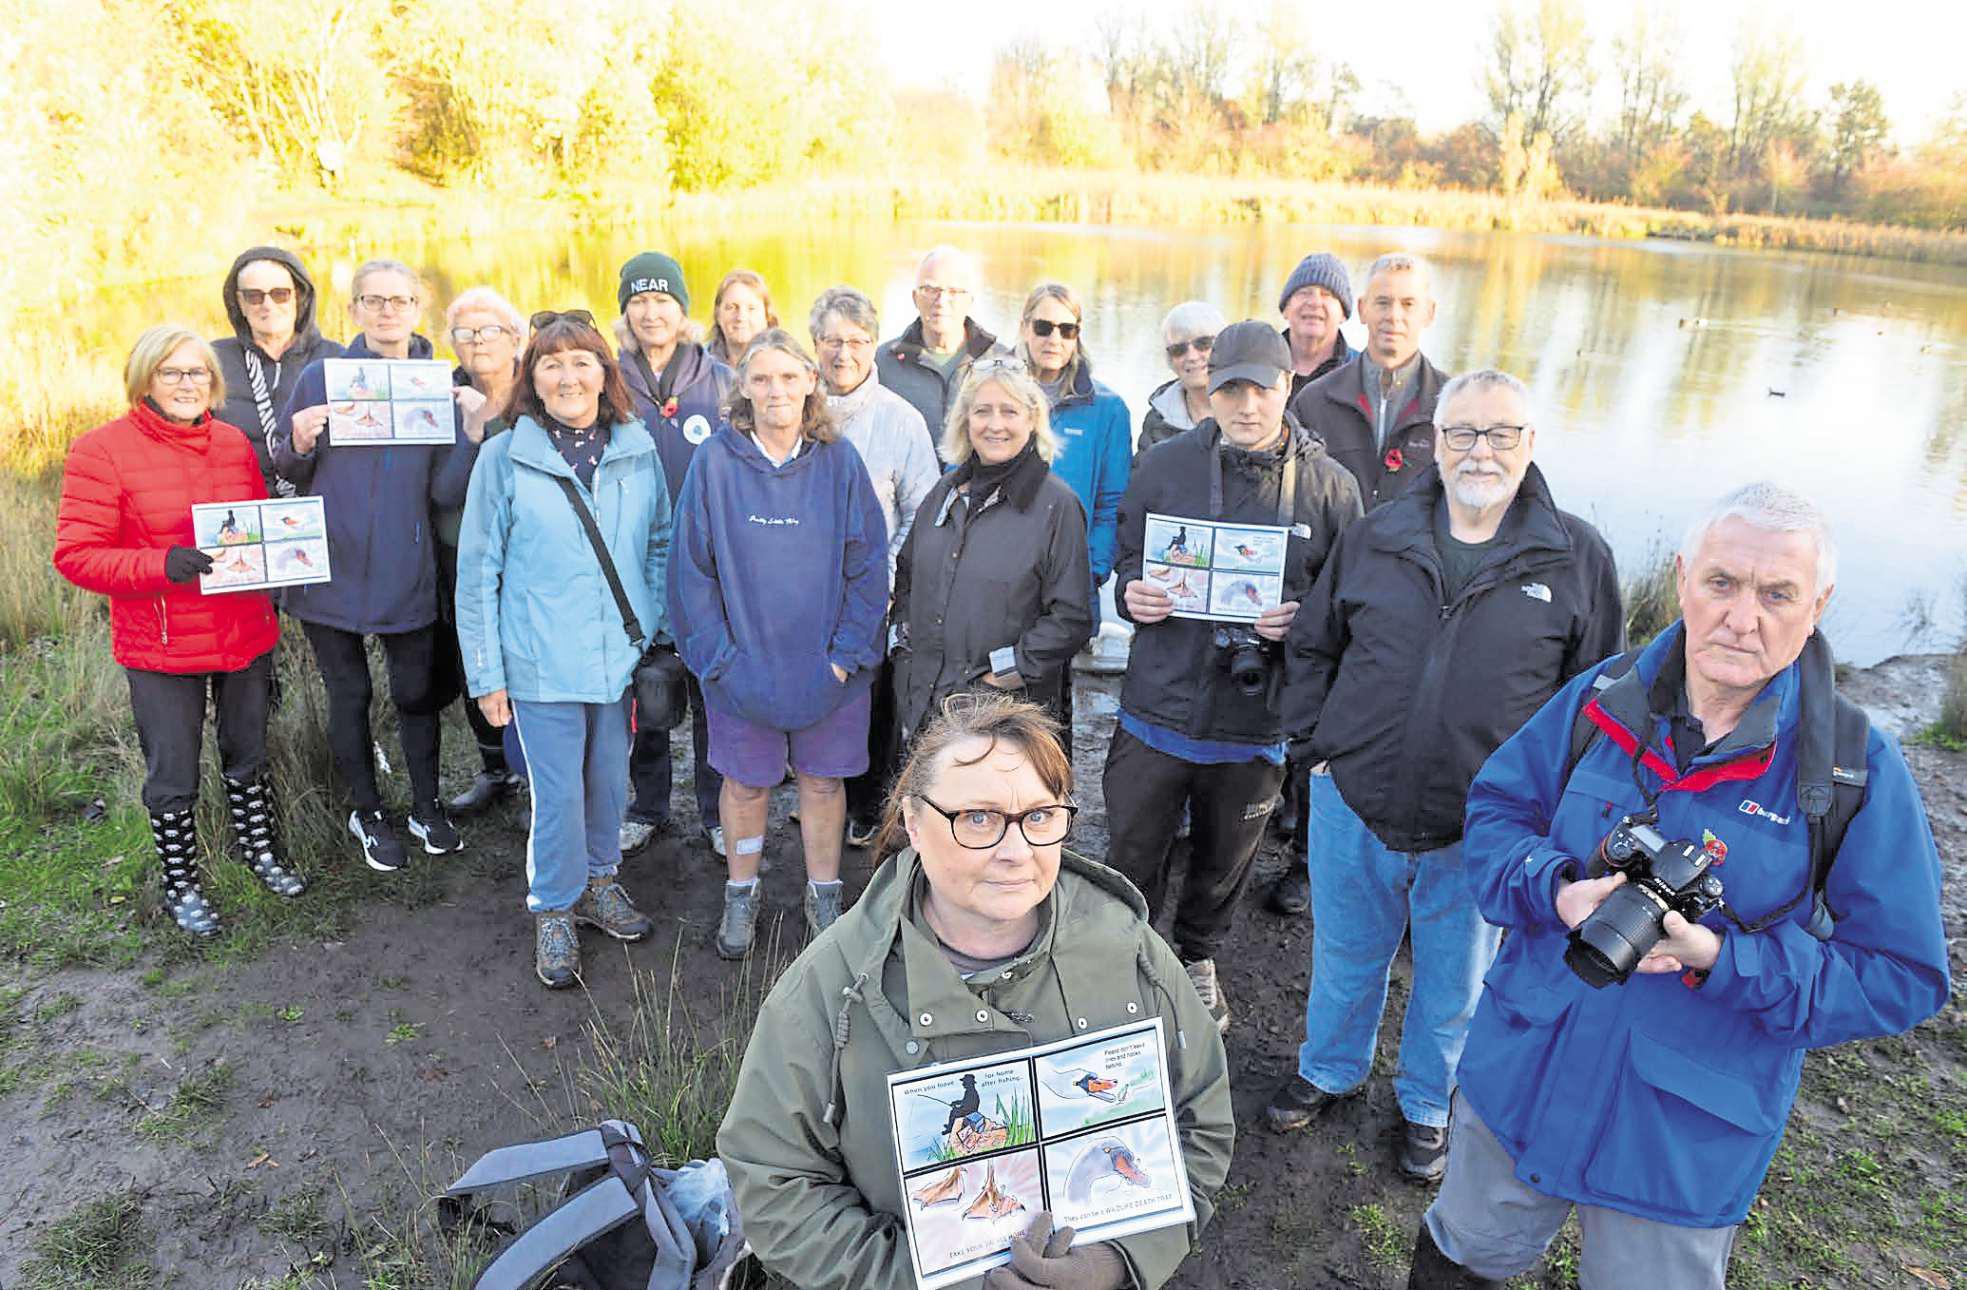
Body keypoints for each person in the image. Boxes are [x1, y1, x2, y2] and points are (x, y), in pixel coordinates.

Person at [1411, 483, 1950, 1290]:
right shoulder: (1601, 699)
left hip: (1677, 1144)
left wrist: (1718, 958)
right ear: (1680, 578)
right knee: (1459, 1262)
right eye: (1721, 583)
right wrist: (1555, 891)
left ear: (1819, 603)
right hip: (1519, 1075)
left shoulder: (1850, 770)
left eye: (1777, 594)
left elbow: (1902, 977)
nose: (1742, 617)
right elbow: (1494, 812)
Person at [717, 693, 1235, 1290]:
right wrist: (922, 1280)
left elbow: (1201, 1119)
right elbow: (773, 1180)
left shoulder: (1130, 948)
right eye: (978, 819)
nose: (1016, 853)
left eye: (1039, 817)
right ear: (913, 821)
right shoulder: (830, 987)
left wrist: (1119, 1263)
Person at [1266, 370, 1624, 1183]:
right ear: (1434, 442)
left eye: (1501, 433)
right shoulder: (1378, 532)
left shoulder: (1575, 556)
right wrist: (1314, 748)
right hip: (1353, 795)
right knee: (1345, 951)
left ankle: (1428, 1103)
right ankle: (1328, 1068)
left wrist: (1553, 812)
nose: (1479, 451)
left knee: (1455, 975)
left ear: (1529, 445)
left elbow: (1599, 699)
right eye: (1461, 432)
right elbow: (1315, 643)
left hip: (1486, 826)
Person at [1107, 322, 1361, 1032]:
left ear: (1289, 385)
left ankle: (1196, 954)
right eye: (1229, 390)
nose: (1245, 406)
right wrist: (1133, 593)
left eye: (1261, 388)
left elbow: (1348, 605)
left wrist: (1304, 621)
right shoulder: (1163, 466)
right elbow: (1129, 558)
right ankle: (1124, 951)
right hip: (1157, 703)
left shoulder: (1330, 488)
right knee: (1132, 845)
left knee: (1225, 858)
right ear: (1207, 389)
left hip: (1256, 719)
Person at [53, 325, 299, 936]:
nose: (187, 384)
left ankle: (260, 852)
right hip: (161, 641)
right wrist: (160, 565)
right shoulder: (100, 450)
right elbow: (76, 554)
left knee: (248, 755)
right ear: (145, 379)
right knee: (173, 773)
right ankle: (181, 882)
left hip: (243, 631)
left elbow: (251, 531)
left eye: (198, 373)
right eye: (172, 372)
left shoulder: (234, 442)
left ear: (214, 384)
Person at [455, 311, 670, 988]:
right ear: (532, 378)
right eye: (551, 364)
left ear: (606, 375)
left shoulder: (637, 450)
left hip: (616, 662)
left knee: (609, 782)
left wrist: (649, 625)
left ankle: (600, 883)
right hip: (540, 661)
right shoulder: (504, 457)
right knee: (556, 795)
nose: (568, 376)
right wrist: (487, 675)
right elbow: (477, 570)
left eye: (582, 362)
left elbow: (658, 544)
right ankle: (553, 904)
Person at [667, 330, 886, 959]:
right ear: (742, 389)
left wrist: (846, 657)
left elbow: (867, 567)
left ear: (811, 383)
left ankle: (823, 894)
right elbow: (691, 574)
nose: (776, 392)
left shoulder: (839, 462)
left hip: (828, 669)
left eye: (789, 378)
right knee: (745, 786)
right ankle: (742, 890)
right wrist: (719, 662)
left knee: (822, 783)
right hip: (742, 668)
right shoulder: (715, 462)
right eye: (761, 380)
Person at [274, 259, 482, 873]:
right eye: (374, 300)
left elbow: (444, 492)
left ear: (419, 309)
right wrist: (301, 442)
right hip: (330, 566)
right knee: (351, 693)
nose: (387, 311)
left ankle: (425, 804)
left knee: (415, 693)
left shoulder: (437, 383)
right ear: (355, 310)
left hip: (403, 566)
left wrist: (470, 428)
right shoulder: (321, 377)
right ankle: (368, 811)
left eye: (400, 300)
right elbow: (288, 469)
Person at [892, 360, 1094, 742]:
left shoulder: (1057, 506)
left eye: (1009, 411)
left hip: (1003, 715)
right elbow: (907, 578)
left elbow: (1071, 619)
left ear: (1032, 419)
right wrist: (904, 656)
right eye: (982, 411)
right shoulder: (943, 493)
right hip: (925, 706)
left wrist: (995, 678)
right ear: (965, 419)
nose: (995, 424)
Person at [809, 286, 941, 847]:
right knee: (810, 694)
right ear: (813, 343)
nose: (844, 353)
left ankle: (864, 810)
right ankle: (817, 793)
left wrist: (882, 580)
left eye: (858, 341)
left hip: (874, 591)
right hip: (801, 591)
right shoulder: (795, 406)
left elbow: (921, 511)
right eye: (832, 340)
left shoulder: (900, 421)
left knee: (871, 705)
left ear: (875, 346)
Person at [613, 251, 735, 859]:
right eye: (638, 301)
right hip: (633, 566)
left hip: (709, 568)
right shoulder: (609, 381)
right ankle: (648, 805)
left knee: (711, 684)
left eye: (663, 300)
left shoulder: (720, 382)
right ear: (626, 312)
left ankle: (716, 810)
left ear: (683, 311)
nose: (651, 312)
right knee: (647, 686)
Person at [437, 287, 527, 816]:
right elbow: (442, 492)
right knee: (475, 654)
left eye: (489, 330)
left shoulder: (539, 387)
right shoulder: (438, 395)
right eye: (465, 333)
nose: (477, 342)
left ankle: (537, 769)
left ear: (514, 337)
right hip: (460, 548)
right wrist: (471, 432)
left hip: (526, 552)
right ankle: (495, 770)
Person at [1289, 252, 1447, 510]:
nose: (1394, 316)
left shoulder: (1453, 407)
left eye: (1408, 304)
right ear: (1362, 310)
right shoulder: (1313, 401)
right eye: (1382, 303)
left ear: (1429, 313)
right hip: (1336, 549)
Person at [1017, 283, 1131, 606]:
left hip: (1072, 586)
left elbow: (1114, 506)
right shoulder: (995, 396)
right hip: (1000, 580)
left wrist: (1089, 573)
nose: (1054, 339)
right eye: (1043, 327)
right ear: (1024, 328)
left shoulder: (1109, 409)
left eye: (1067, 330)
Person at [212, 247, 344, 496]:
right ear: (239, 302)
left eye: (280, 294)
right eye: (254, 296)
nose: (267, 305)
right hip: (244, 512)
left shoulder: (337, 358)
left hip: (319, 510)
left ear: (299, 296)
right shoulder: (213, 360)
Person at [876, 245, 1012, 460]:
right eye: (930, 290)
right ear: (914, 298)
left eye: (954, 292)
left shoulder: (1002, 362)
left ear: (970, 299)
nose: (941, 301)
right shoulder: (883, 363)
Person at [1135, 301, 1224, 461]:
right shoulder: (1158, 420)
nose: (1192, 356)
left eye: (1203, 344)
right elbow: (1141, 479)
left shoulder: (1248, 410)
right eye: (1178, 350)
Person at [1277, 252, 1356, 399]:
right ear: (1285, 309)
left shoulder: (1361, 375)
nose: (1314, 302)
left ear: (1343, 314)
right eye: (1303, 293)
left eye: (1326, 294)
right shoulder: (1258, 364)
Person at [706, 268, 777, 366]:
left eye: (751, 308)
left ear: (767, 315)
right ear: (717, 314)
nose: (741, 317)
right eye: (731, 307)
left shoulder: (787, 364)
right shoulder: (697, 367)